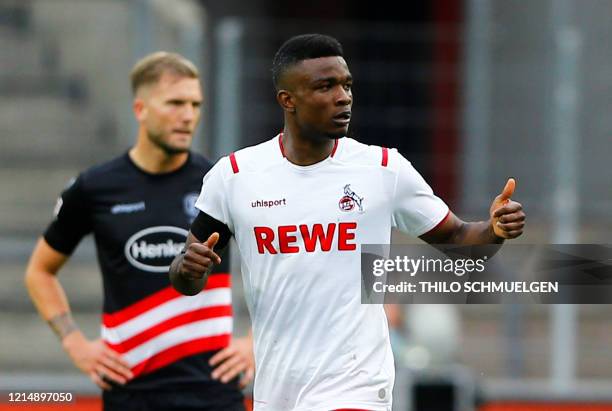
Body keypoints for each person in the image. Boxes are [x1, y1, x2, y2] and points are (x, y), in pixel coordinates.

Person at [169, 34, 525, 411]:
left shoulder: (383, 169)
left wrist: (493, 230)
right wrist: (188, 269)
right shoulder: (235, 176)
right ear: (287, 100)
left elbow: (459, 238)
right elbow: (186, 277)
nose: (343, 96)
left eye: (346, 84)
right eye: (325, 86)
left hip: (357, 387)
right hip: (278, 392)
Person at [25, 52, 254, 411]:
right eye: (175, 103)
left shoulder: (220, 182)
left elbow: (285, 262)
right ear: (140, 109)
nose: (188, 115)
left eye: (196, 104)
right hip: (129, 395)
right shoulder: (94, 188)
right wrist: (75, 344)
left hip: (214, 394)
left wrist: (253, 343)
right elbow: (39, 271)